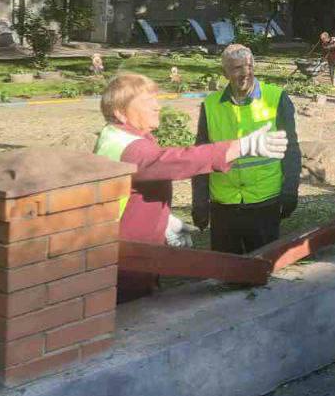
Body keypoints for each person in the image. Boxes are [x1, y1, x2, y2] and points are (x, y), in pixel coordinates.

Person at [94, 73, 289, 302]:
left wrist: (162, 220)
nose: (158, 107)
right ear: (120, 112)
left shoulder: (121, 136)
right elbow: (172, 161)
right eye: (148, 103)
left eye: (156, 100)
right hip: (123, 260)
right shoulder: (129, 147)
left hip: (128, 250)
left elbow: (134, 188)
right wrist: (241, 146)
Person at [191, 44, 302, 253]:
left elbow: (291, 150)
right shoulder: (210, 105)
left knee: (263, 271)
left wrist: (290, 191)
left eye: (249, 66)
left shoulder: (277, 99)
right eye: (236, 68)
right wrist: (200, 201)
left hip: (264, 201)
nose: (245, 73)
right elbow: (201, 155)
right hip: (223, 204)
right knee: (226, 273)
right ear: (224, 73)